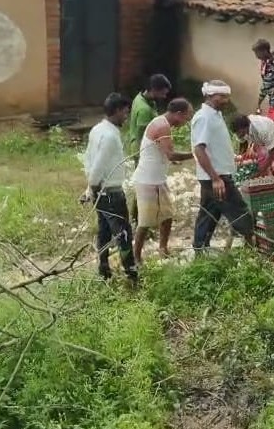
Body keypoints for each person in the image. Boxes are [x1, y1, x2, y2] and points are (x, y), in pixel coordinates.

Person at [190, 80, 257, 254]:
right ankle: (253, 252)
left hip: (217, 176)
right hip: (217, 178)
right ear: (210, 96)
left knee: (209, 215)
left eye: (227, 96)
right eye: (222, 96)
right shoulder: (203, 118)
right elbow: (199, 149)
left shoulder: (215, 114)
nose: (226, 100)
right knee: (241, 212)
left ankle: (200, 249)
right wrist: (216, 178)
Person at [131, 98, 195, 265]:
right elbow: (171, 154)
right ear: (178, 114)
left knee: (167, 215)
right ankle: (136, 258)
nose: (185, 122)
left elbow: (162, 152)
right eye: (186, 118)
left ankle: (163, 249)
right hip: (147, 180)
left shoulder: (162, 123)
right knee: (144, 222)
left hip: (158, 179)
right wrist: (195, 154)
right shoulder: (162, 126)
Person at [82, 93, 138, 283]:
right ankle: (132, 273)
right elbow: (97, 165)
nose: (126, 116)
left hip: (100, 192)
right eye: (125, 112)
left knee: (104, 231)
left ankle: (104, 269)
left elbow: (88, 160)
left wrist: (90, 189)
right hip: (111, 194)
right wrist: (91, 187)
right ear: (116, 111)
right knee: (123, 233)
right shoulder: (110, 136)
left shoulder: (97, 129)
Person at [126, 74, 172, 224]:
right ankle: (139, 219)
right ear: (153, 90)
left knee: (142, 185)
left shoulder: (141, 98)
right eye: (163, 93)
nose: (165, 96)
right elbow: (147, 135)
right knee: (145, 186)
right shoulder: (144, 109)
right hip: (142, 149)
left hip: (137, 145)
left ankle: (137, 217)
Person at [231, 113, 274, 180]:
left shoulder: (261, 129)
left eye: (238, 132)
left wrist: (262, 170)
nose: (238, 135)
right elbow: (254, 143)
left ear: (244, 128)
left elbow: (273, 151)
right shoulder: (247, 129)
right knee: (266, 169)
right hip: (266, 143)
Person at [253, 40, 274, 120]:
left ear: (264, 51)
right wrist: (259, 104)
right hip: (272, 99)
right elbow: (266, 83)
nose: (256, 56)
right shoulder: (264, 62)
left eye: (257, 53)